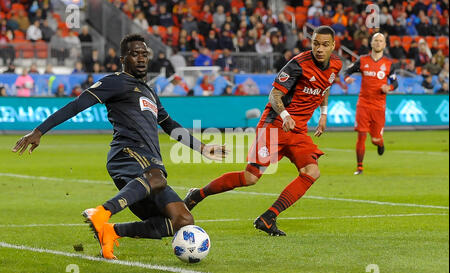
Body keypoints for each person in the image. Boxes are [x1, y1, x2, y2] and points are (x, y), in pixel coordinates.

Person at [12, 34, 227, 259]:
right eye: (135, 54)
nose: (141, 59)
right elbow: (77, 105)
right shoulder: (115, 81)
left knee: (182, 220)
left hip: (148, 163)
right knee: (157, 178)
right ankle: (102, 212)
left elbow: (169, 125)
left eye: (144, 54)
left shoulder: (150, 92)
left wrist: (201, 147)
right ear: (124, 59)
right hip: (126, 154)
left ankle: (110, 232)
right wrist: (39, 131)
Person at [184, 26, 342, 236]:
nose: (319, 49)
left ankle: (268, 218)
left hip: (298, 131)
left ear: (333, 45)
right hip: (275, 124)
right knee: (251, 177)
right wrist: (285, 116)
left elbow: (326, 85)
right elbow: (274, 95)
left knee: (311, 172)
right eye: (315, 44)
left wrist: (323, 114)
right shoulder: (297, 65)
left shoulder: (336, 65)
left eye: (324, 45)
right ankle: (198, 194)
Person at [344, 33, 398, 175]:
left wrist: (389, 88)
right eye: (376, 40)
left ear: (384, 44)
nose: (378, 43)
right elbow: (347, 71)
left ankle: (380, 143)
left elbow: (395, 83)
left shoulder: (388, 64)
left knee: (374, 139)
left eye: (381, 41)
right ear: (371, 43)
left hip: (379, 106)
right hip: (363, 103)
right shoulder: (362, 60)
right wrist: (347, 78)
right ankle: (359, 167)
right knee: (361, 134)